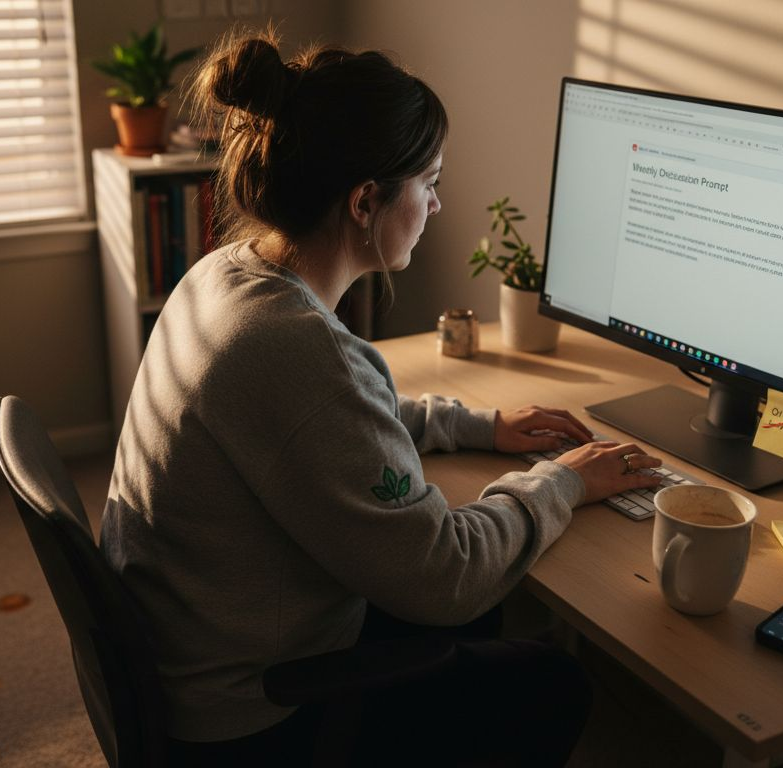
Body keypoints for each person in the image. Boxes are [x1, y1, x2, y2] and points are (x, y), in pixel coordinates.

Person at [99, 28, 663, 766]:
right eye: (427, 182)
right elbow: (448, 576)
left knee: (483, 621)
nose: (435, 205)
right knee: (551, 678)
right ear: (366, 200)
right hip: (248, 716)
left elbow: (324, 426)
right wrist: (563, 481)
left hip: (195, 647)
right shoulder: (297, 351)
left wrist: (476, 426)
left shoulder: (226, 275)